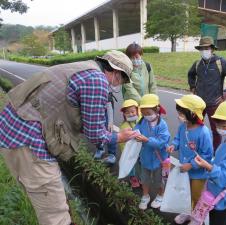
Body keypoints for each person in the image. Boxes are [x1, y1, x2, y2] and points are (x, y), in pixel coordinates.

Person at [0, 50, 137, 225]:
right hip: (29, 144)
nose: (120, 84)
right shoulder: (98, 81)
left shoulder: (82, 68)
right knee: (55, 215)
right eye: (123, 80)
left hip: (11, 132)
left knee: (46, 199)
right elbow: (95, 134)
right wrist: (119, 136)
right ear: (117, 72)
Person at [166, 94, 213, 224]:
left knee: (196, 195)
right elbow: (177, 138)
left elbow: (207, 155)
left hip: (198, 173)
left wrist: (191, 165)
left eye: (181, 113)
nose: (179, 115)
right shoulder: (183, 126)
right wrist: (173, 146)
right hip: (185, 169)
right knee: (185, 193)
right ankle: (187, 212)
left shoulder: (203, 132)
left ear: (192, 114)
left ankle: (197, 218)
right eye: (179, 112)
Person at [188, 36, 226, 151]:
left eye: (206, 48)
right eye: (202, 48)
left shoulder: (221, 62)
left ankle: (215, 153)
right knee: (195, 127)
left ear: (212, 49)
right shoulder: (197, 64)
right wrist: (192, 87)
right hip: (199, 104)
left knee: (216, 130)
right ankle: (195, 149)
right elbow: (190, 74)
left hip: (214, 103)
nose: (204, 50)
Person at [134, 94, 170, 210]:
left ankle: (160, 195)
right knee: (144, 179)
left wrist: (147, 140)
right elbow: (136, 130)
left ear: (157, 109)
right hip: (145, 157)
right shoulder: (142, 121)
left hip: (159, 160)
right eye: (144, 114)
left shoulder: (162, 125)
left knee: (158, 180)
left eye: (148, 113)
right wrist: (133, 134)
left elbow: (162, 142)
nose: (146, 116)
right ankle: (145, 195)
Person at [119, 99, 141, 188]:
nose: (131, 114)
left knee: (140, 164)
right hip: (130, 151)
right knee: (131, 164)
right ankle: (133, 178)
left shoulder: (141, 120)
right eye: (127, 112)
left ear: (137, 110)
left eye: (133, 111)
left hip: (140, 149)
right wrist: (125, 151)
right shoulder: (124, 126)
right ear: (124, 114)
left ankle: (140, 177)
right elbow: (122, 141)